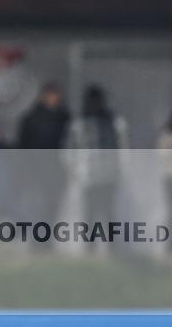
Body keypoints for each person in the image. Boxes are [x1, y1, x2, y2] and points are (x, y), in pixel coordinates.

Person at [68, 85, 128, 240]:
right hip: (88, 177)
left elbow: (122, 148)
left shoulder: (113, 122)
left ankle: (111, 246)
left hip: (108, 175)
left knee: (108, 212)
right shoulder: (79, 124)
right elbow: (69, 150)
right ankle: (90, 246)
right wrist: (75, 170)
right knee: (90, 212)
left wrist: (121, 169)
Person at [18, 82, 70, 227]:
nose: (52, 98)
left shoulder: (64, 118)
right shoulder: (31, 118)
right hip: (36, 168)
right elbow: (23, 145)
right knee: (37, 204)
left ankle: (48, 238)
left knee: (53, 204)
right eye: (50, 95)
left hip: (57, 168)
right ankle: (37, 238)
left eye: (55, 95)